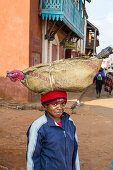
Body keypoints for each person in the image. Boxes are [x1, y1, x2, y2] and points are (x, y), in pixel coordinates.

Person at [26, 91, 80, 170]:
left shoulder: (70, 123)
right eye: (54, 104)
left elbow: (75, 153)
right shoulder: (38, 127)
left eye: (63, 103)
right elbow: (32, 157)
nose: (59, 107)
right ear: (46, 105)